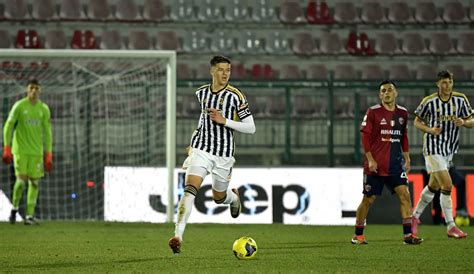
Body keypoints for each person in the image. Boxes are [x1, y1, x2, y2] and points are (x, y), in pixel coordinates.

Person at [168, 56, 256, 253]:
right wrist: (193, 141)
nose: (225, 74)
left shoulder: (236, 96)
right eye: (221, 70)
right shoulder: (202, 93)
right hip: (202, 149)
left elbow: (251, 128)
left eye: (228, 70)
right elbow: (203, 119)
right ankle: (178, 236)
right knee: (190, 188)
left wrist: (225, 121)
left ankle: (233, 199)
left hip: (223, 154)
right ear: (212, 71)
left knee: (218, 197)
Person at [351, 80, 423, 245]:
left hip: (395, 165)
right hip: (375, 165)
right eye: (383, 91)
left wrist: (407, 157)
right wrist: (370, 159)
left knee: (405, 195)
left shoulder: (403, 113)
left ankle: (407, 235)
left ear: (396, 93)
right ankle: (358, 235)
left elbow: (403, 136)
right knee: (368, 200)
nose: (386, 93)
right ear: (380, 95)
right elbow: (365, 137)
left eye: (390, 90)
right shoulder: (373, 112)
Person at [412, 70, 473, 239]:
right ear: (438, 84)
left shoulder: (460, 100)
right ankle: (451, 226)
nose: (448, 86)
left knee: (433, 186)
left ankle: (414, 217)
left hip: (448, 151)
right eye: (444, 83)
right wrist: (430, 130)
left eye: (450, 82)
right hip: (432, 148)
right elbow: (416, 121)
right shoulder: (429, 102)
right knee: (447, 185)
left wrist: (464, 122)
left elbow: (472, 120)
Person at [2, 79, 53, 225]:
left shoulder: (44, 109)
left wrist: (48, 153)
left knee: (35, 183)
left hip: (36, 152)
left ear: (40, 90)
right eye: (31, 88)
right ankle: (14, 208)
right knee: (21, 181)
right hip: (20, 151)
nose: (34, 91)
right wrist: (7, 147)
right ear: (27, 89)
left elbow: (48, 132)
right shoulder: (19, 106)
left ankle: (29, 216)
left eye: (36, 88)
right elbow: (8, 126)